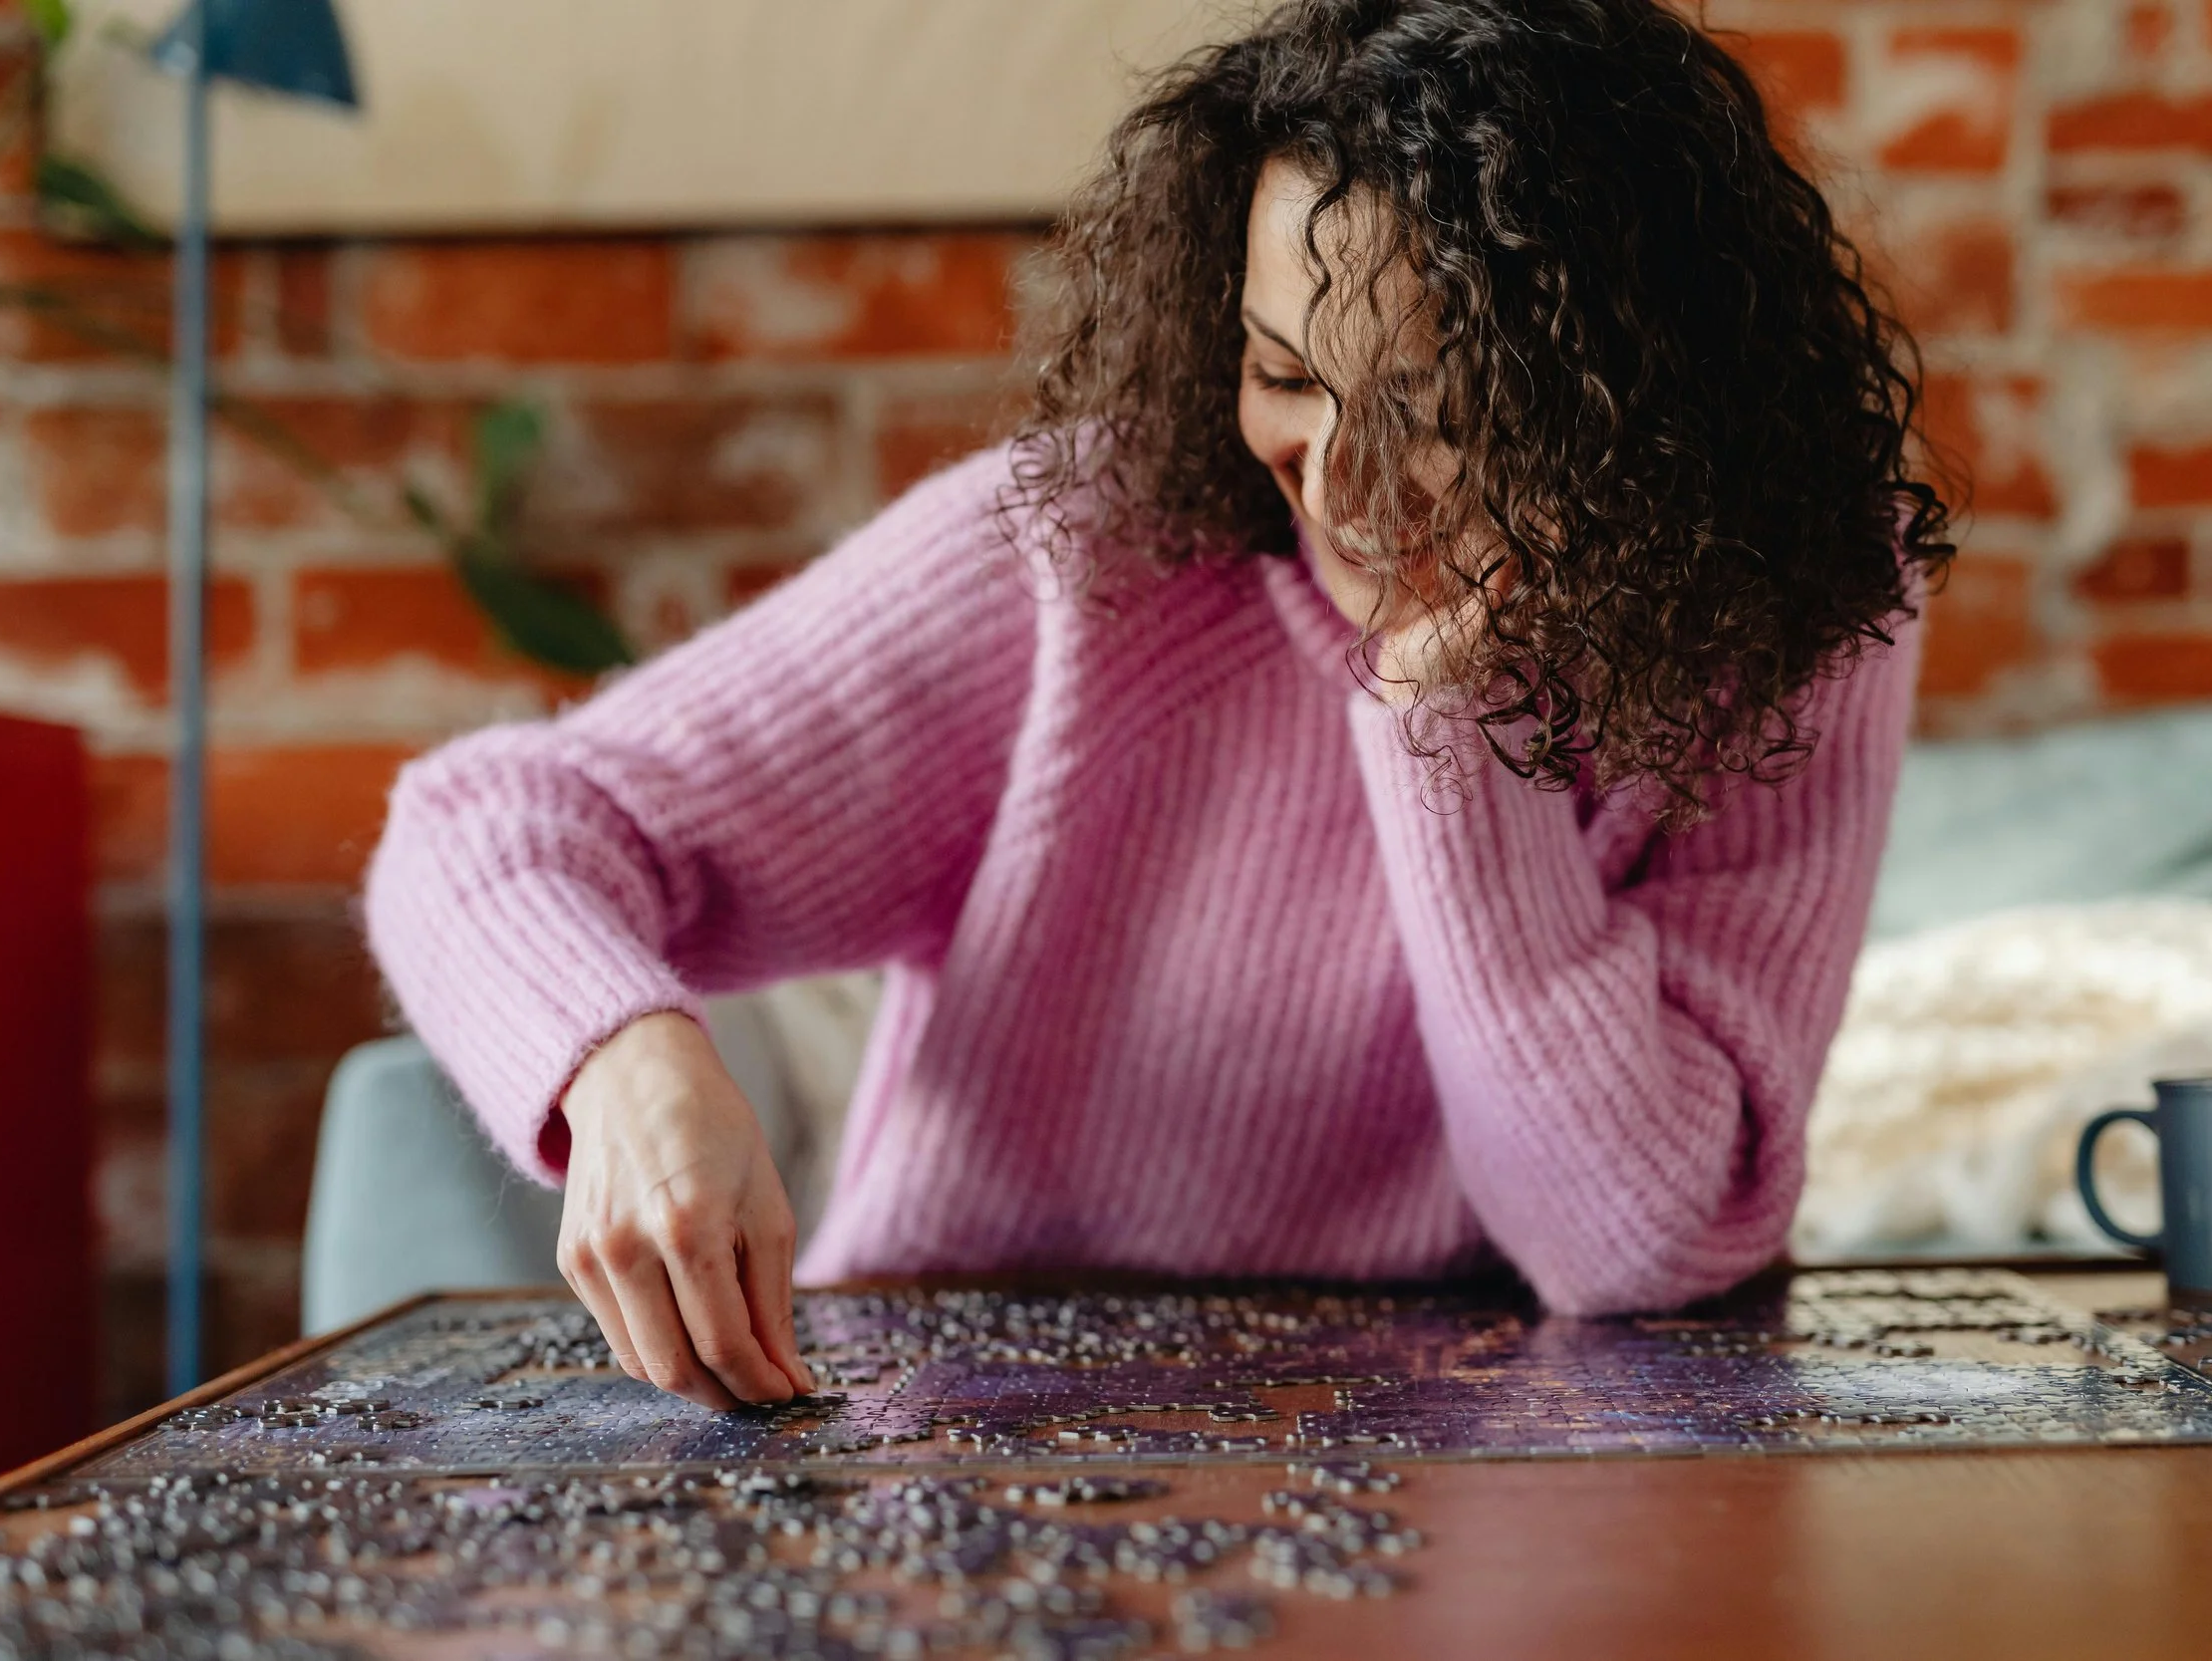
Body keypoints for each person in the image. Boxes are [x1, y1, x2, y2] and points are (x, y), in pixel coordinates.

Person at [365, 0, 1954, 1411]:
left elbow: (1642, 1241)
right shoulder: (1087, 557)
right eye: (1284, 371)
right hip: (966, 1451)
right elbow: (492, 826)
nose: (1335, 481)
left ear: (1633, 412)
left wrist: (1442, 727)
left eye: (1434, 411)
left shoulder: (1798, 604)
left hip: (1516, 1476)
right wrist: (632, 1066)